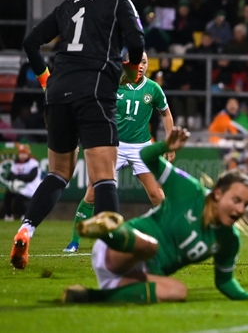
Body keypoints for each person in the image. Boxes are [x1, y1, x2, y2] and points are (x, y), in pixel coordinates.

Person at [13, 0, 144, 270]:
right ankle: (112, 252)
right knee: (104, 178)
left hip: (57, 94)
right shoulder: (118, 2)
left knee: (58, 173)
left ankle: (26, 230)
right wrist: (129, 70)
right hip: (95, 91)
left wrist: (45, 79)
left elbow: (30, 42)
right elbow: (138, 42)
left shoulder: (69, 3)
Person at [61, 127, 248, 304]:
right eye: (236, 200)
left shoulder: (229, 239)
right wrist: (164, 146)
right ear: (218, 194)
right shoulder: (190, 191)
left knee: (178, 291)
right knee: (151, 247)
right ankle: (109, 230)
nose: (240, 210)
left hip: (140, 274)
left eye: (246, 205)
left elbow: (225, 281)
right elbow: (146, 156)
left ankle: (89, 296)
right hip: (121, 251)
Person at [63, 52, 175, 253]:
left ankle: (170, 237)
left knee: (156, 194)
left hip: (142, 147)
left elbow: (166, 113)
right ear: (126, 64)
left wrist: (169, 142)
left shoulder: (153, 88)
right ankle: (74, 241)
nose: (140, 66)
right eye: (136, 62)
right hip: (114, 145)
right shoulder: (113, 83)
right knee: (92, 193)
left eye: (144, 62)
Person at [1, 144, 42, 221]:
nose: (22, 155)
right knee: (8, 194)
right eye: (20, 153)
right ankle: (9, 215)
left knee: (19, 196)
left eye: (24, 153)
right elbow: (10, 175)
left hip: (31, 187)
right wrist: (14, 177)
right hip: (20, 186)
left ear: (28, 154)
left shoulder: (33, 163)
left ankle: (25, 215)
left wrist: (18, 177)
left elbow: (31, 177)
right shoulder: (16, 163)